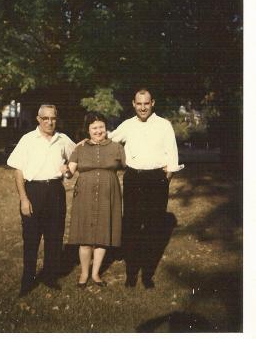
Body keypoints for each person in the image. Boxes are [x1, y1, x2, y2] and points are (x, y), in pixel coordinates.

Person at [108, 89, 183, 289]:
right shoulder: (128, 125)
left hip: (156, 179)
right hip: (134, 179)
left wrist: (164, 180)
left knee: (154, 229)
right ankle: (131, 274)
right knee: (132, 227)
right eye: (139, 104)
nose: (143, 107)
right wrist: (87, 140)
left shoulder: (164, 125)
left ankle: (147, 274)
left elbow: (173, 157)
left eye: (146, 103)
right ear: (133, 104)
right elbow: (109, 139)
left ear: (152, 103)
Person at [7, 104, 75, 297]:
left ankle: (50, 276)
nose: (49, 122)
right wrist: (23, 199)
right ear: (38, 119)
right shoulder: (27, 140)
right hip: (33, 191)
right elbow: (18, 170)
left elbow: (75, 159)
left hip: (55, 191)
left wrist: (68, 171)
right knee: (31, 239)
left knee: (54, 237)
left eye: (52, 118)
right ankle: (27, 280)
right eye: (45, 118)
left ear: (56, 118)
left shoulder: (63, 140)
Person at [62, 112, 126, 288]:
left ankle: (96, 273)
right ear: (88, 130)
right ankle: (84, 273)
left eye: (101, 127)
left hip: (109, 194)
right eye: (94, 128)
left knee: (102, 235)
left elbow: (132, 164)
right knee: (84, 236)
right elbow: (70, 172)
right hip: (84, 195)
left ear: (106, 128)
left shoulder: (117, 147)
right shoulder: (80, 148)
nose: (98, 131)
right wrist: (65, 171)